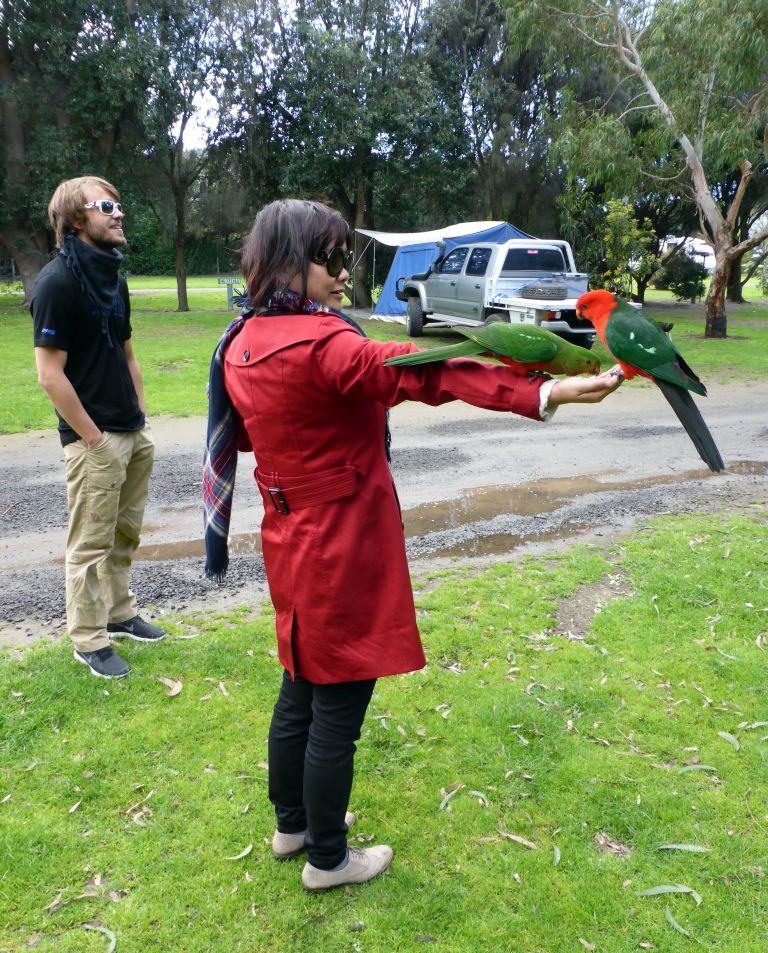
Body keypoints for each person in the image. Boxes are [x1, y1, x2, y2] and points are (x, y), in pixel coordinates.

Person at [202, 199, 622, 892]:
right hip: (339, 541)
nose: (343, 274)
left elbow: (255, 432)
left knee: (300, 684)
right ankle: (329, 860)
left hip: (288, 532)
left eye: (346, 258)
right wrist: (543, 392)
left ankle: (292, 825)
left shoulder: (241, 340)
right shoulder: (324, 344)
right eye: (329, 259)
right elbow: (425, 367)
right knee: (336, 702)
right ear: (287, 263)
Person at [31, 176, 166, 680]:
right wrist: (93, 438)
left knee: (124, 532)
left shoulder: (115, 277)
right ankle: (89, 640)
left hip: (131, 430)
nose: (118, 214)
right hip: (94, 441)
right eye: (106, 205)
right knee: (89, 543)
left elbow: (127, 351)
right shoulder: (56, 282)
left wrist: (140, 416)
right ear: (75, 218)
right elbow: (49, 375)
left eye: (119, 204)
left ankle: (120, 613)